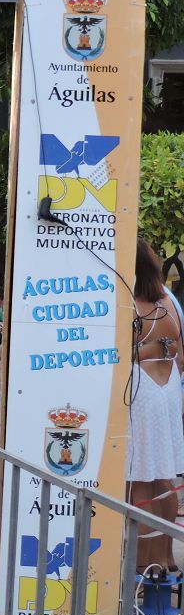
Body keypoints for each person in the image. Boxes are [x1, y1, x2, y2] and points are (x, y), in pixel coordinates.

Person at [128, 239, 184, 573]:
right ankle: (165, 557)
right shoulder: (169, 300)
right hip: (169, 391)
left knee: (140, 480)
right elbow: (180, 353)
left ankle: (145, 563)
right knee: (165, 477)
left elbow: (121, 354)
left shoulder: (130, 303)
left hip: (142, 389)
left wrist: (144, 351)